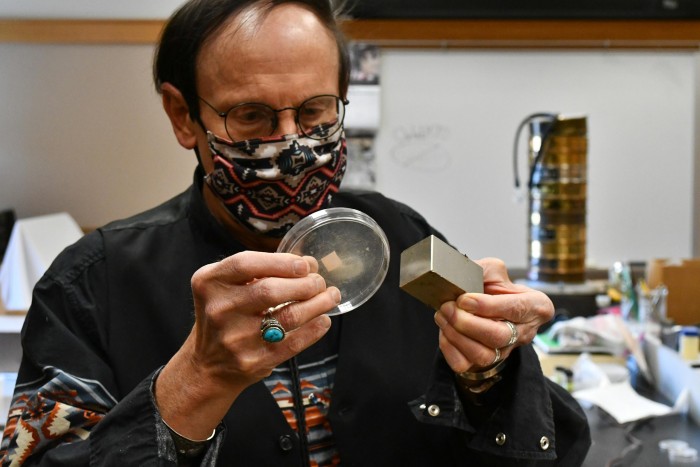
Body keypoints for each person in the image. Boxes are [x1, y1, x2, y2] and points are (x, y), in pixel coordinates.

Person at [0, 0, 591, 465]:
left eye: (313, 112)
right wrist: (196, 384)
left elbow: (554, 445)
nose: (292, 148)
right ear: (184, 116)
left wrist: (492, 371)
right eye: (251, 116)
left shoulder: (404, 239)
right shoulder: (93, 285)